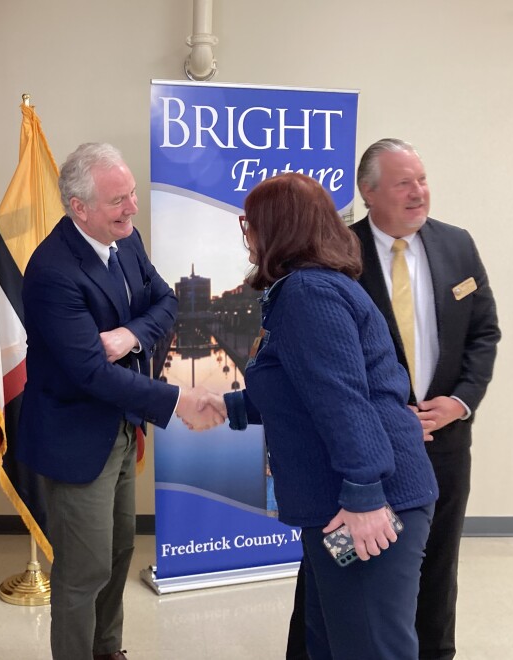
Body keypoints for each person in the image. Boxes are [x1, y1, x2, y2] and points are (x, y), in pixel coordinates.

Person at [207, 172, 439, 659]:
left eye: (250, 223)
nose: (246, 233)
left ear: (277, 228)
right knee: (329, 642)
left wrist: (364, 495)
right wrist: (226, 407)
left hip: (367, 502)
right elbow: (303, 391)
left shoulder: (308, 294)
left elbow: (343, 399)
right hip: (345, 501)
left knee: (370, 647)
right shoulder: (307, 290)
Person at [285, 139, 502, 660]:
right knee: (335, 566)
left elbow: (484, 332)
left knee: (436, 565)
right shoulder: (338, 255)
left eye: (422, 179)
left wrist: (460, 401)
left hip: (444, 439)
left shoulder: (457, 245)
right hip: (370, 449)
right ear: (368, 191)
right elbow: (331, 357)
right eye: (404, 182)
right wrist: (388, 413)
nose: (418, 192)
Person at [18, 142, 221, 660]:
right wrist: (176, 400)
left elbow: (167, 301)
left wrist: (130, 336)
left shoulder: (124, 240)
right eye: (118, 200)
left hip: (122, 427)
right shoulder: (51, 272)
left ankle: (109, 651)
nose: (132, 207)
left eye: (131, 194)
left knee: (118, 552)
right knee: (83, 570)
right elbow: (89, 371)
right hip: (75, 439)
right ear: (78, 207)